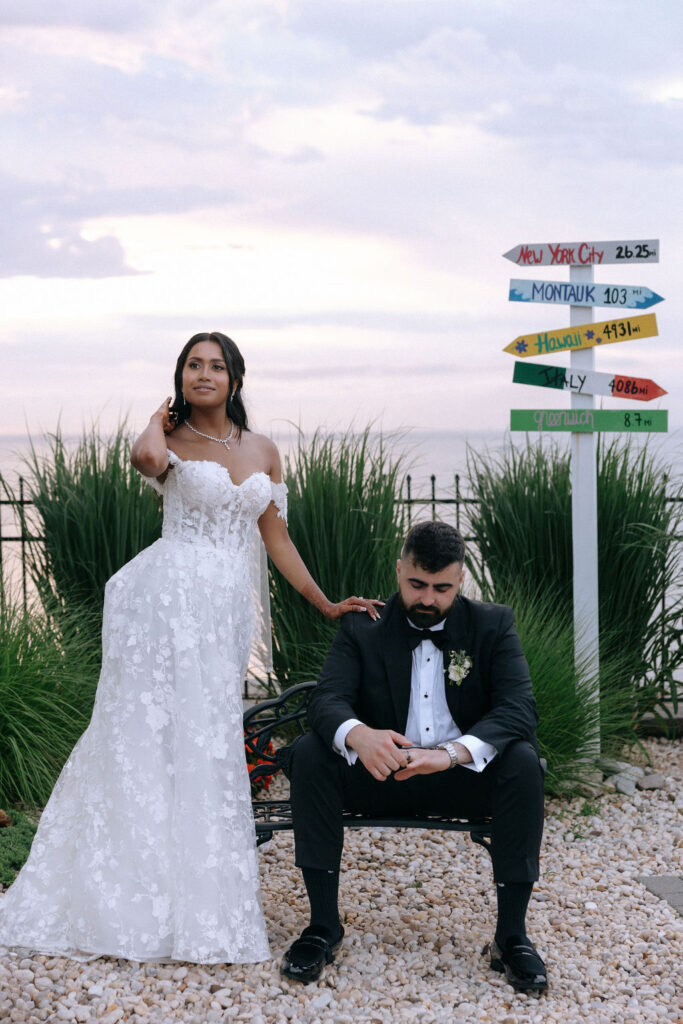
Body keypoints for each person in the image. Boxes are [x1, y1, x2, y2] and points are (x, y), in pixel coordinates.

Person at [0, 331, 380, 965]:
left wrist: (324, 601)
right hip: (162, 604)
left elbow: (276, 540)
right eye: (193, 366)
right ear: (181, 377)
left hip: (223, 613)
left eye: (216, 366)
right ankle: (126, 898)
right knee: (144, 738)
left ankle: (198, 898)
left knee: (204, 741)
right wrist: (157, 417)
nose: (204, 374)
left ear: (235, 378)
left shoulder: (262, 449)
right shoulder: (171, 442)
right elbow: (144, 461)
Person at [281, 520, 547, 992]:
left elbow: (519, 708)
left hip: (460, 779)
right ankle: (323, 926)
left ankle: (512, 937)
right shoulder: (363, 625)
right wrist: (359, 734)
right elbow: (326, 700)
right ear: (399, 569)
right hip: (380, 776)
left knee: (524, 762)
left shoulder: (493, 623)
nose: (428, 599)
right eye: (416, 585)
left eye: (441, 588)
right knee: (309, 754)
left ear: (460, 579)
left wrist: (452, 754)